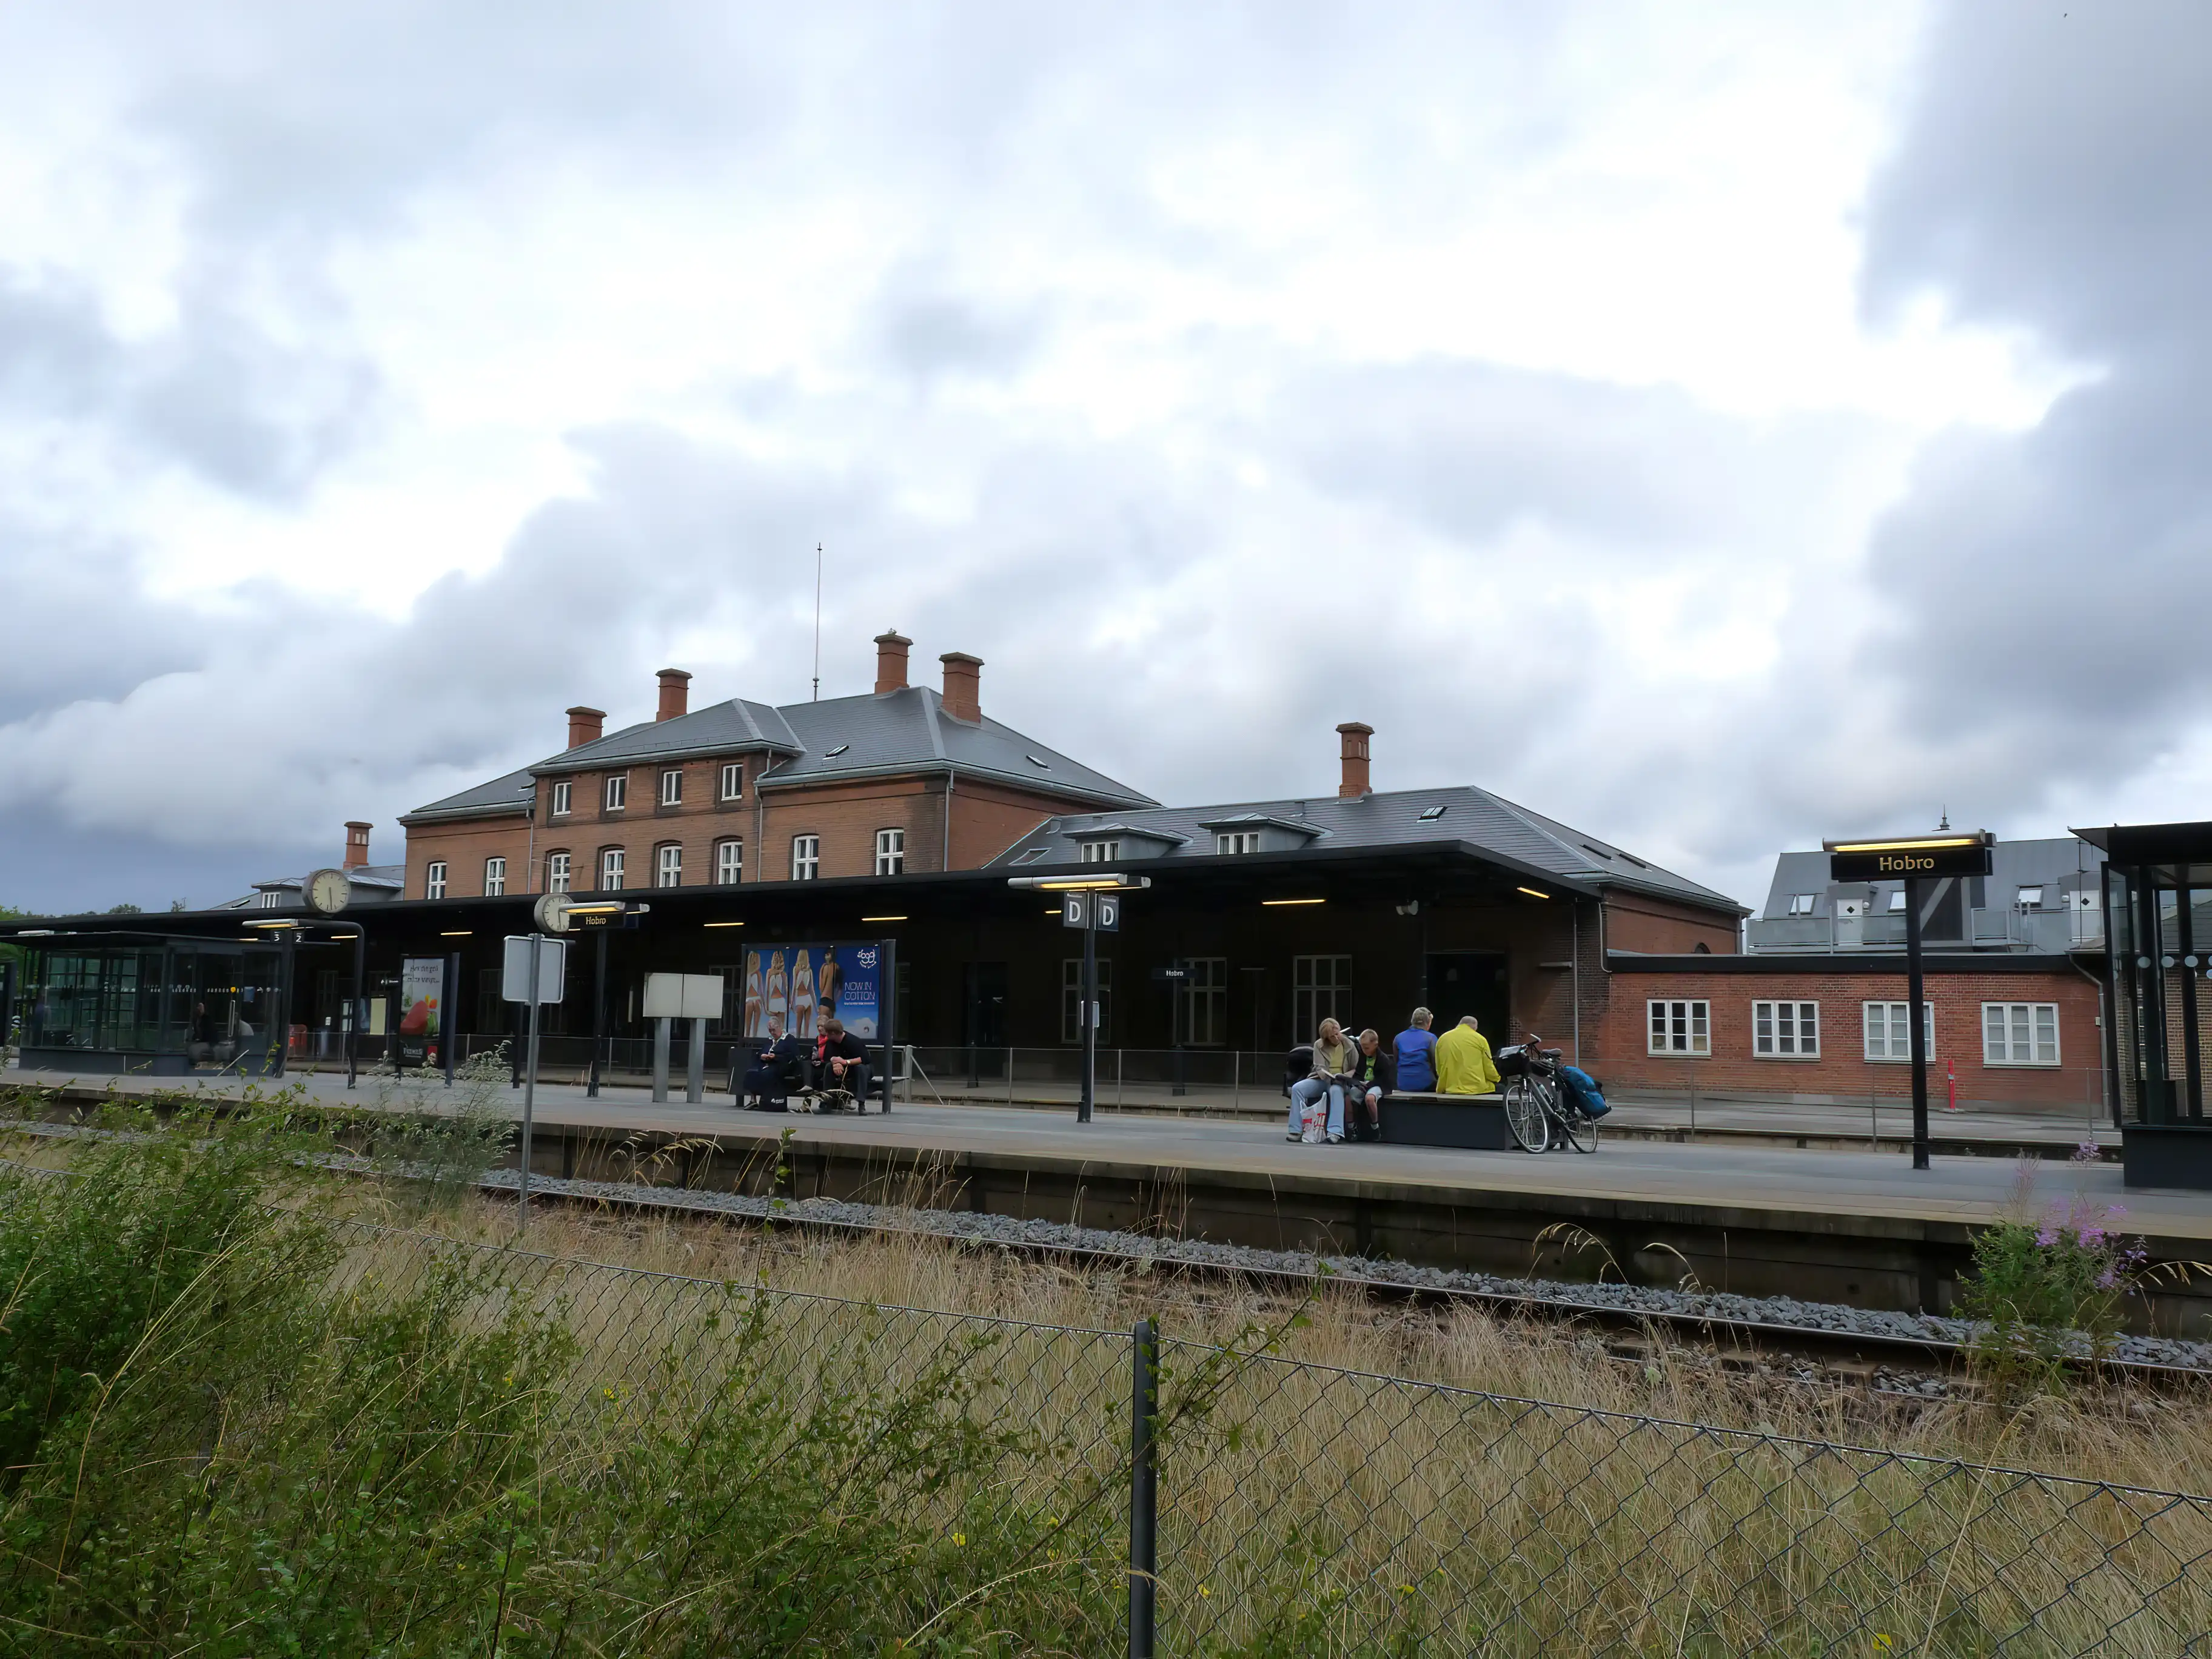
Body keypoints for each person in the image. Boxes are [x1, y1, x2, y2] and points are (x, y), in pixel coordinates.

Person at [1286, 1017, 1355, 1144]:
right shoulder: (1319, 1044)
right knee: (1297, 1088)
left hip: (1340, 1081)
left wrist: (1343, 1076)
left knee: (1336, 1091)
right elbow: (1319, 1067)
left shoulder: (1347, 1044)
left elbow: (1354, 1065)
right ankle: (1296, 1129)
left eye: (1335, 1035)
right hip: (1323, 1079)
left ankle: (1335, 1132)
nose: (1333, 1039)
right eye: (1329, 1037)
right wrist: (1328, 1076)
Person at [740, 1014, 805, 1110]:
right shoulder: (769, 1040)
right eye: (770, 1031)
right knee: (752, 1073)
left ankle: (767, 1099)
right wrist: (762, 1056)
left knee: (766, 1074)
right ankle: (753, 1100)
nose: (772, 1033)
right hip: (766, 1063)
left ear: (780, 1027)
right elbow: (761, 1052)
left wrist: (776, 1057)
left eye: (774, 1030)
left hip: (782, 1065)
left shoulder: (789, 1039)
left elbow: (793, 1056)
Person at [1347, 1028, 1395, 1141]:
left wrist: (1370, 1084)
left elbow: (1385, 1080)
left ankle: (1375, 1127)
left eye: (1367, 1048)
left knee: (1369, 1099)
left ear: (1375, 1045)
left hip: (1378, 1085)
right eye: (1362, 1047)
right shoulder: (1362, 1057)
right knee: (1348, 1098)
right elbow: (1358, 1074)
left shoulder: (1384, 1059)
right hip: (1364, 1084)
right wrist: (1356, 1083)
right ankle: (1352, 1127)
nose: (1364, 1050)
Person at [809, 1016, 869, 1108]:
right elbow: (831, 1057)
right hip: (845, 1067)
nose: (826, 1035)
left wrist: (845, 1062)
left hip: (861, 1067)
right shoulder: (831, 1041)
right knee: (829, 1067)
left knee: (861, 1068)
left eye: (828, 1033)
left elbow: (865, 1059)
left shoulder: (853, 1041)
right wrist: (836, 1063)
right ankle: (826, 1100)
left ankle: (861, 1104)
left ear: (833, 1033)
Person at [1435, 1014, 1500, 1096]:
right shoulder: (1480, 1039)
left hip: (1449, 1088)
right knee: (1501, 1088)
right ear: (1475, 1027)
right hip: (1476, 1089)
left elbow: (1439, 1067)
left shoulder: (1442, 1039)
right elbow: (1488, 1067)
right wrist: (1497, 1078)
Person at [1393, 1007, 1438, 1093]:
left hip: (1403, 1084)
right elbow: (1436, 1064)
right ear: (1428, 1022)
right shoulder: (1431, 1038)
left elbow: (1397, 1061)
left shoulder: (1398, 1038)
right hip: (1426, 1084)